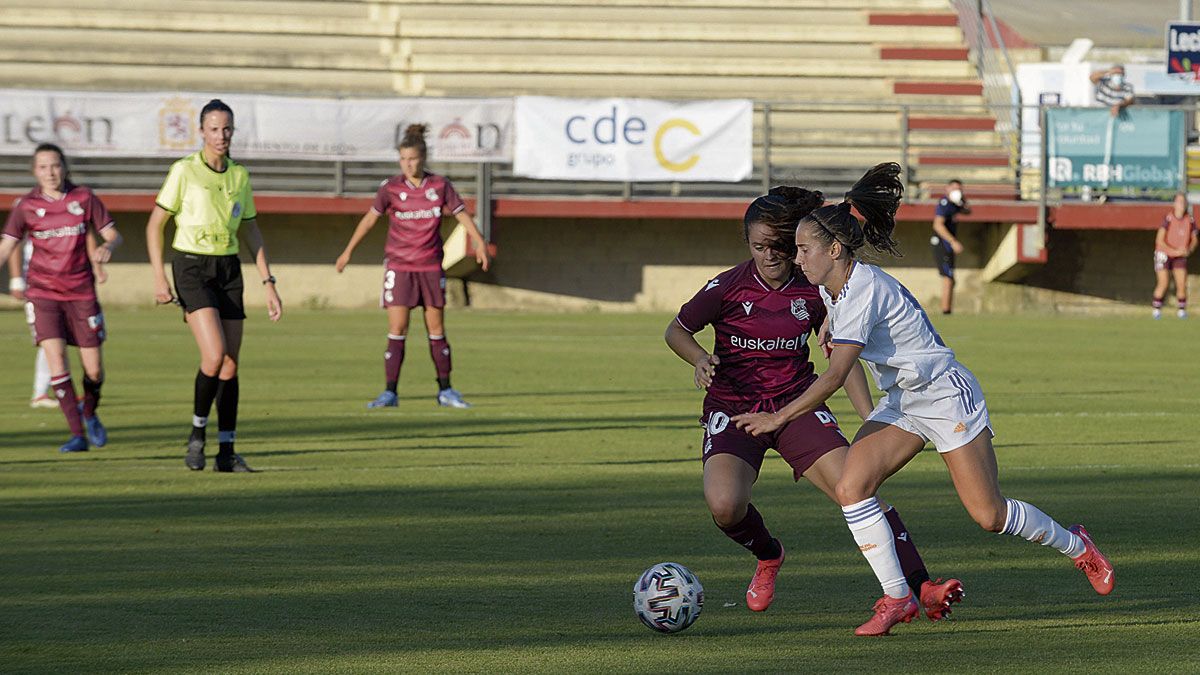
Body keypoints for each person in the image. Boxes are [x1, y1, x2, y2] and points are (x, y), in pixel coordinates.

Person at [733, 163, 1113, 637]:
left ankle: (1077, 547)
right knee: (852, 489)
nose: (797, 258)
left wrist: (779, 418)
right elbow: (840, 351)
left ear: (834, 250)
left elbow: (833, 376)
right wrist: (868, 411)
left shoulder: (862, 291)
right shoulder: (834, 286)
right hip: (905, 402)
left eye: (804, 249)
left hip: (944, 397)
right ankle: (897, 598)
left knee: (989, 516)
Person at [664, 185, 963, 619]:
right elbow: (676, 329)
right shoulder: (726, 287)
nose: (769, 256)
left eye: (778, 246)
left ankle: (923, 587)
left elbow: (843, 362)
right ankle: (769, 555)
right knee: (726, 507)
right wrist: (698, 358)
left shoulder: (815, 289)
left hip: (796, 406)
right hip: (734, 409)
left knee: (857, 489)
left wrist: (871, 418)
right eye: (758, 246)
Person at [146, 99, 282, 473]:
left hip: (227, 268)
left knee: (231, 365)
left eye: (227, 129)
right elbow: (155, 224)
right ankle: (196, 435)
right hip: (191, 266)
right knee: (215, 355)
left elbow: (250, 228)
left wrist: (268, 282)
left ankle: (226, 452)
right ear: (202, 132)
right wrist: (159, 276)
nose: (221, 136)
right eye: (214, 129)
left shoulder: (239, 175)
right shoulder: (184, 171)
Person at [335, 124, 490, 409]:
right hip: (400, 267)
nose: (408, 164)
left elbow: (461, 216)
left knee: (436, 329)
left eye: (413, 159)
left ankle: (446, 391)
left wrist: (479, 242)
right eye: (403, 159)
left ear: (423, 158)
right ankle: (390, 392)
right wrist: (348, 251)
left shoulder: (440, 186)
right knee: (398, 328)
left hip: (430, 266)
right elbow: (369, 219)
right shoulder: (391, 188)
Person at [0, 143, 122, 452]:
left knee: (93, 370)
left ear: (64, 167)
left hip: (81, 293)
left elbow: (112, 234)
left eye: (55, 165)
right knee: (56, 359)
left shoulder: (84, 198)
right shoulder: (26, 206)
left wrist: (108, 246)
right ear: (34, 171)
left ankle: (90, 412)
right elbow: (7, 245)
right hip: (43, 293)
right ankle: (77, 435)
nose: (50, 172)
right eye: (43, 167)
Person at [1152, 192, 1197, 319]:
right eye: (1179, 202)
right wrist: (1174, 251)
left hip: (1179, 255)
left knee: (1182, 283)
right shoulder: (1168, 219)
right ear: (1174, 204)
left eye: (1183, 202)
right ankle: (1156, 310)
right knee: (1163, 282)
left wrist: (1189, 249)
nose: (1181, 205)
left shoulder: (1190, 220)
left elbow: (1194, 239)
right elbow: (1159, 240)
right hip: (1164, 254)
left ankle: (1181, 310)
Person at [930, 179, 969, 315]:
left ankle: (948, 310)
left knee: (951, 278)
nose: (956, 191)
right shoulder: (944, 203)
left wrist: (962, 201)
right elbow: (938, 224)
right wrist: (953, 241)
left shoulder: (954, 204)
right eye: (954, 189)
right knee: (948, 277)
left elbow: (968, 211)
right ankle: (945, 311)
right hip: (942, 244)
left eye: (959, 189)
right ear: (947, 189)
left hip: (948, 246)